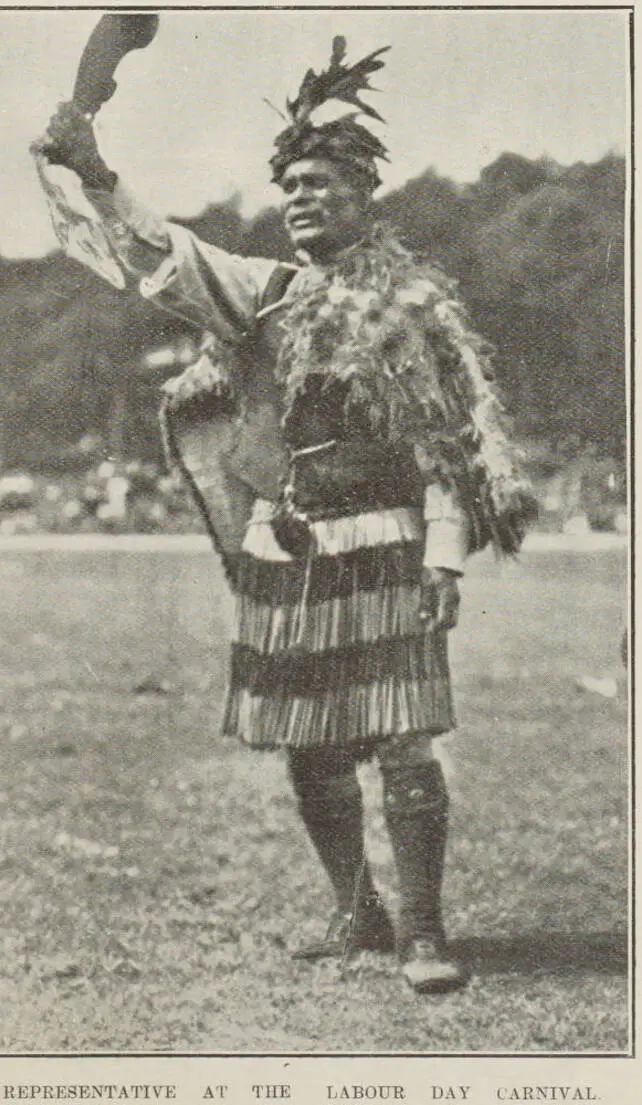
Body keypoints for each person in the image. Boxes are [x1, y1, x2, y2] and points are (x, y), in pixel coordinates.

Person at [33, 35, 534, 995]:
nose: (302, 197)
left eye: (321, 182)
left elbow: (451, 445)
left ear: (364, 195)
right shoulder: (266, 295)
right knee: (308, 739)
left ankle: (424, 931)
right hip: (289, 546)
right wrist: (93, 169)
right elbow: (162, 254)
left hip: (387, 542)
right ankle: (359, 913)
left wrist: (445, 560)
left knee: (400, 733)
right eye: (291, 184)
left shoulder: (415, 307)